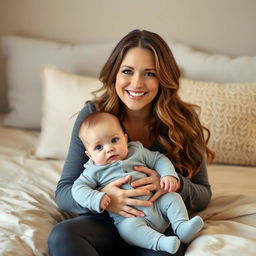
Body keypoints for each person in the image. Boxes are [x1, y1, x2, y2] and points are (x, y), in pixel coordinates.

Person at [48, 29, 214, 256]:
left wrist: (171, 182)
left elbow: (203, 194)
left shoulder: (184, 121)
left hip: (158, 223)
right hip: (106, 221)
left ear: (164, 78)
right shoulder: (93, 116)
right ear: (114, 73)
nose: (136, 84)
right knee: (63, 235)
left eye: (150, 74)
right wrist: (108, 199)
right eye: (127, 71)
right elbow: (65, 192)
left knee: (167, 252)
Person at [71, 111, 204, 254]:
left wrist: (168, 175)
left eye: (114, 140)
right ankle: (160, 242)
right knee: (128, 229)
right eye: (99, 147)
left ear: (125, 138)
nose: (109, 148)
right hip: (131, 218)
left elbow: (159, 159)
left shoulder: (137, 151)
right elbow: (77, 188)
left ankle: (182, 227)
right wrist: (97, 198)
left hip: (158, 205)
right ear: (89, 155)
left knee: (173, 198)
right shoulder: (92, 171)